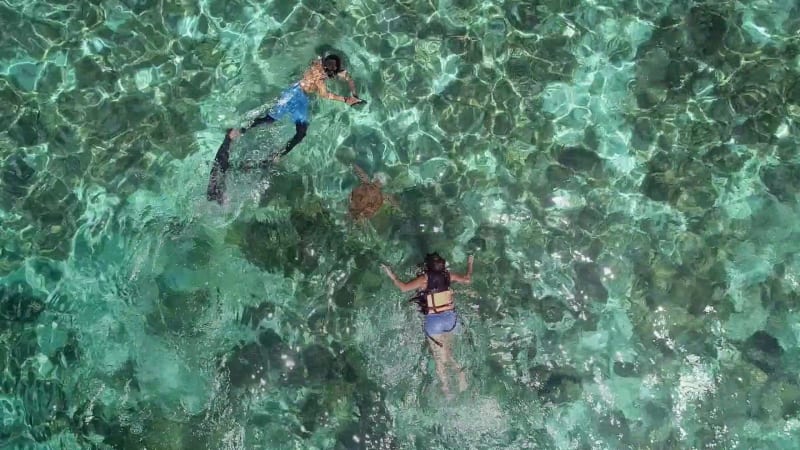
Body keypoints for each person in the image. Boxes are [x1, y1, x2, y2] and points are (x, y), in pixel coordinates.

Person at [207, 53, 364, 203]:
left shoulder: (316, 62)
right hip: (293, 96)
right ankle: (248, 137)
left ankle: (248, 137)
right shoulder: (320, 82)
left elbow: (338, 74)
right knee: (274, 121)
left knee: (292, 129)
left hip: (300, 97)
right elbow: (325, 95)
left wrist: (350, 85)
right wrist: (346, 99)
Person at [381, 253, 475, 397]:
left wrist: (392, 275)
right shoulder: (448, 275)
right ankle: (461, 377)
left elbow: (404, 288)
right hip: (451, 320)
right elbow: (467, 279)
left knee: (439, 359)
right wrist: (470, 263)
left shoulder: (424, 279)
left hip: (434, 322)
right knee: (448, 353)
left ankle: (447, 391)